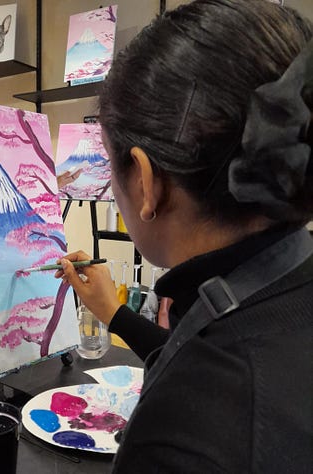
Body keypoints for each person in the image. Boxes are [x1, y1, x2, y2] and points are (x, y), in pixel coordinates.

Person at [55, 1, 313, 472]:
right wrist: (115, 313)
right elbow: (207, 348)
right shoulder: (287, 286)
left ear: (146, 181)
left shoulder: (184, 428)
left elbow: (206, 379)